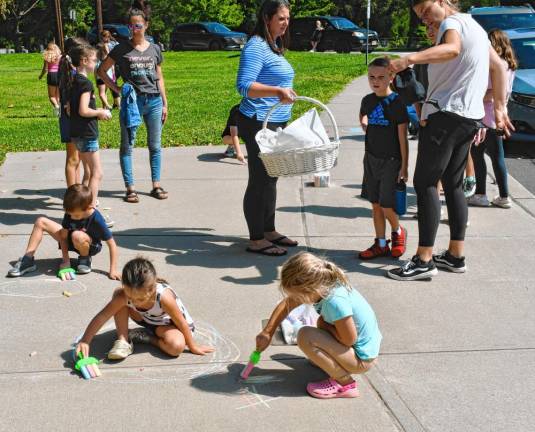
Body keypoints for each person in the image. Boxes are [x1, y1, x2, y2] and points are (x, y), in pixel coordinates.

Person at [387, 0, 514, 281]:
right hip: (468, 118)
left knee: (425, 183)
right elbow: (501, 66)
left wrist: (408, 59)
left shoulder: (452, 23)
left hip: (446, 115)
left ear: (442, 2)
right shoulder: (476, 27)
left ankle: (424, 259)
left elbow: (453, 49)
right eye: (419, 17)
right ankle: (456, 255)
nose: (424, 20)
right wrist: (501, 107)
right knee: (453, 185)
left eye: (425, 11)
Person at [256, 252, 381, 399]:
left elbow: (349, 340)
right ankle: (334, 363)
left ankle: (345, 384)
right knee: (319, 326)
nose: (295, 299)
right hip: (358, 350)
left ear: (309, 289)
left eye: (298, 296)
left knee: (305, 336)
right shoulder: (324, 283)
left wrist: (323, 325)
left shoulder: (335, 302)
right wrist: (268, 332)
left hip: (362, 360)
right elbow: (287, 304)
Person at [236, 0, 298, 257]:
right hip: (258, 121)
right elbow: (244, 85)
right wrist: (277, 91)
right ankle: (256, 238)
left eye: (287, 18)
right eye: (281, 18)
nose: (286, 22)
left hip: (275, 121)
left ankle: (269, 229)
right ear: (267, 18)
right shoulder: (256, 47)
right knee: (259, 179)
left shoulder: (274, 46)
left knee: (271, 177)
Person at [75, 257, 215, 360]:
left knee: (176, 347)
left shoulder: (164, 297)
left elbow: (181, 322)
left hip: (169, 325)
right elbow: (102, 317)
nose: (135, 302)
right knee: (119, 298)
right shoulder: (125, 294)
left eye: (140, 299)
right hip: (146, 320)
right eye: (131, 297)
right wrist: (85, 341)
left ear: (153, 288)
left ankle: (146, 337)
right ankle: (123, 340)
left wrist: (193, 346)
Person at [98, 7, 169, 203]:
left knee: (155, 145)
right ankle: (130, 188)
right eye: (131, 26)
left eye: (138, 25)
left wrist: (164, 103)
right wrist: (117, 89)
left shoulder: (155, 49)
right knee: (127, 145)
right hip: (132, 102)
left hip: (154, 101)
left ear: (146, 25)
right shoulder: (120, 48)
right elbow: (101, 71)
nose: (134, 29)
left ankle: (156, 185)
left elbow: (159, 77)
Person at [7, 184, 120, 279]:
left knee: (77, 235)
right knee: (40, 221)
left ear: (89, 207)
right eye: (70, 214)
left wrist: (113, 270)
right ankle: (27, 260)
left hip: (89, 245)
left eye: (76, 215)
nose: (72, 217)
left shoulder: (96, 218)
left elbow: (112, 244)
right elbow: (63, 236)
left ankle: (85, 259)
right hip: (72, 238)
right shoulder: (71, 211)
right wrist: (65, 260)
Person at [358, 57, 409, 260]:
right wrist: (363, 121)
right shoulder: (368, 100)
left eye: (380, 77)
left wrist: (404, 166)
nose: (375, 81)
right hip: (371, 159)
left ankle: (398, 232)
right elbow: (363, 114)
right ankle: (380, 243)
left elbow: (402, 137)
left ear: (391, 77)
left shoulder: (397, 102)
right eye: (371, 77)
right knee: (376, 204)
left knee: (387, 204)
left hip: (391, 161)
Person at [469, 29, 517, 209]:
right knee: (498, 157)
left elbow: (490, 93)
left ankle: (481, 194)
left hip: (484, 117)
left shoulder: (493, 66)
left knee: (478, 155)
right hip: (499, 115)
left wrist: (473, 97)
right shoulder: (509, 65)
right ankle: (504, 195)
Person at [68, 44, 112, 212]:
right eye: (94, 60)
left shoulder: (73, 80)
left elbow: (69, 108)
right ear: (84, 61)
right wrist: (100, 111)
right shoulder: (85, 84)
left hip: (77, 134)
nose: (96, 63)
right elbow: (83, 110)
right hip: (87, 134)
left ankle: (80, 205)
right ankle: (90, 210)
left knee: (88, 173)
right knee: (97, 172)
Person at [58, 37, 91, 188]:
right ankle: (72, 195)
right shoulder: (69, 69)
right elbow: (68, 101)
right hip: (71, 118)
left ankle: (77, 191)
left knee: (76, 158)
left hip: (71, 117)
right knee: (73, 159)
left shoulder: (69, 67)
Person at [39, 42, 61, 116]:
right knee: (57, 96)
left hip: (51, 75)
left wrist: (41, 76)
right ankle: (59, 113)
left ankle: (56, 107)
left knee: (51, 96)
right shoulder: (59, 57)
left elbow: (45, 69)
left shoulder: (47, 57)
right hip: (59, 75)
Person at [95, 43, 119, 110]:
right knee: (105, 92)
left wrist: (95, 79)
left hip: (100, 78)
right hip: (108, 78)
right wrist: (113, 77)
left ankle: (107, 105)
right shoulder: (108, 60)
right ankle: (104, 107)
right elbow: (113, 69)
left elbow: (95, 71)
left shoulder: (97, 61)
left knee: (102, 94)